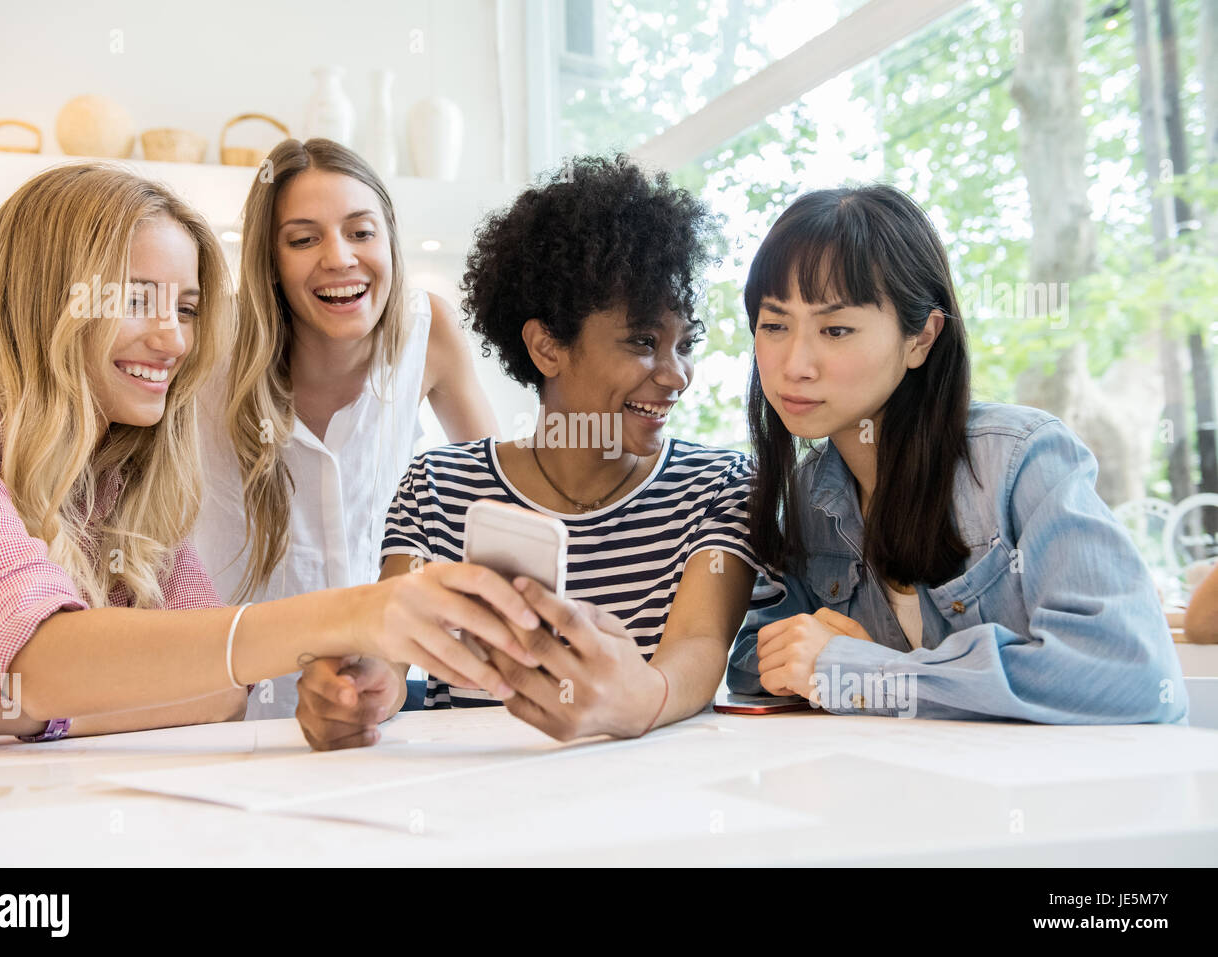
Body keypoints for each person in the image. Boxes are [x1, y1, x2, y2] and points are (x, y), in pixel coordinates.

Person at [0, 164, 534, 750]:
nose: (174, 340)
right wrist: (353, 613)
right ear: (46, 301)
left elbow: (219, 693)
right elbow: (43, 655)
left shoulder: (124, 471)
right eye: (135, 301)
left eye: (185, 308)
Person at [294, 154, 786, 750]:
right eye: (642, 342)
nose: (676, 375)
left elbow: (699, 647)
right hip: (476, 809)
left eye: (685, 344)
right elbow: (392, 656)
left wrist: (639, 700)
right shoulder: (438, 486)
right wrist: (360, 691)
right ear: (547, 347)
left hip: (652, 808)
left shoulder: (718, 485)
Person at [727, 184, 1188, 724]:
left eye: (836, 329)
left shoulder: (1021, 461)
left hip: (1069, 800)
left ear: (921, 338)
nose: (795, 363)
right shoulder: (806, 498)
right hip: (918, 794)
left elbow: (1130, 674)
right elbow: (757, 665)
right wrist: (845, 665)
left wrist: (864, 672)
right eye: (775, 325)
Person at [193, 138, 498, 720]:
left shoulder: (425, 330)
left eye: (361, 232)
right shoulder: (210, 344)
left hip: (375, 695)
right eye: (304, 239)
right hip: (229, 702)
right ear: (271, 262)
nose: (339, 258)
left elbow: (495, 498)